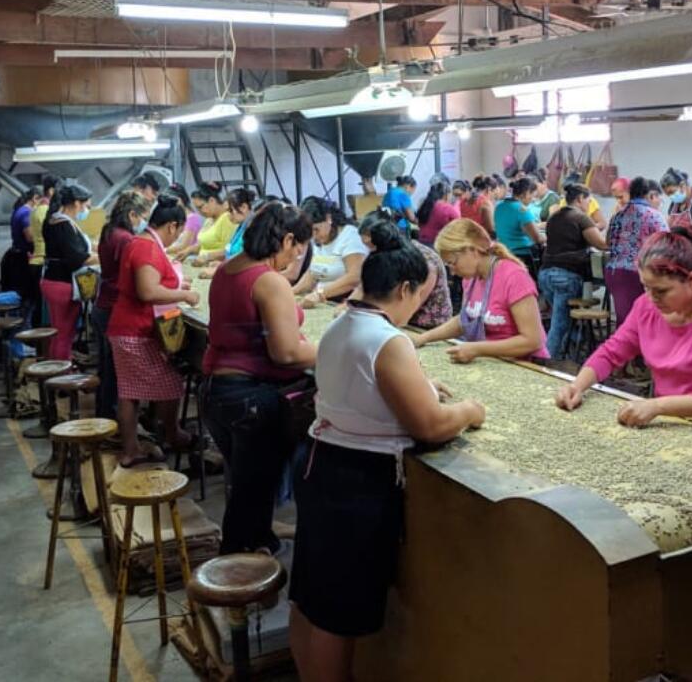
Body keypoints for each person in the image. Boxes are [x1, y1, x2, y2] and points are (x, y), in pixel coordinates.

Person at [289, 227, 485, 680]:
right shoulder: (387, 339)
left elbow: (362, 387)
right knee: (338, 616)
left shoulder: (343, 323)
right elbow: (430, 426)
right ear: (403, 289)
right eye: (419, 295)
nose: (418, 305)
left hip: (322, 465)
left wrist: (418, 388)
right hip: (356, 482)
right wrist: (468, 411)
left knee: (313, 596)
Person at [556, 225, 692, 427]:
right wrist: (577, 386)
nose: (652, 298)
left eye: (661, 291)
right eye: (646, 287)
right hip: (675, 422)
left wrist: (657, 406)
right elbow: (611, 352)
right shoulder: (645, 306)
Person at [203, 203, 317, 553]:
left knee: (247, 487)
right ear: (286, 240)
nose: (295, 259)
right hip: (250, 400)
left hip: (217, 395)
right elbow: (285, 353)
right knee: (251, 494)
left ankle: (259, 539)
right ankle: (242, 571)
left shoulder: (227, 270)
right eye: (297, 250)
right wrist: (339, 351)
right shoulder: (268, 280)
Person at [107, 196, 201, 467]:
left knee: (129, 392)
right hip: (135, 329)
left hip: (126, 327)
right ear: (172, 226)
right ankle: (172, 434)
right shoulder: (147, 248)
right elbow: (147, 290)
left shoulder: (140, 243)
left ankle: (132, 448)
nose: (177, 237)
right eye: (179, 231)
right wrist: (184, 294)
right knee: (170, 384)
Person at [414, 218, 547, 361]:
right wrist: (422, 338)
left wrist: (476, 349)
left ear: (472, 250)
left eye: (453, 263)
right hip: (493, 360)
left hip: (524, 364)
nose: (452, 272)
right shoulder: (470, 279)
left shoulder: (514, 277)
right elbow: (464, 319)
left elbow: (533, 340)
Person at [94, 191, 152, 422]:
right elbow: (136, 277)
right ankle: (115, 422)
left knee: (107, 368)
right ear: (131, 214)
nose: (143, 223)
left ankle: (106, 415)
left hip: (103, 304)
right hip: (114, 307)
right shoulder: (126, 239)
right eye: (142, 217)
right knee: (117, 373)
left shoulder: (109, 232)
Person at [538, 183, 607, 360]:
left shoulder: (554, 217)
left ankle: (570, 354)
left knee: (562, 318)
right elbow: (601, 244)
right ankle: (546, 361)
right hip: (565, 276)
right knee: (559, 324)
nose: (588, 204)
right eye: (588, 200)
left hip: (545, 275)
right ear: (579, 199)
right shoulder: (580, 218)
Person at [357, 210, 452, 329]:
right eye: (367, 246)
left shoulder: (425, 260)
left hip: (426, 327)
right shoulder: (384, 256)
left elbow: (411, 305)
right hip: (398, 318)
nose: (371, 251)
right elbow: (364, 288)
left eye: (372, 246)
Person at [40, 183, 95, 361]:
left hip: (55, 281)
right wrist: (107, 256)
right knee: (64, 333)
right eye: (86, 206)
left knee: (62, 332)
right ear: (77, 203)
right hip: (61, 284)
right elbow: (77, 258)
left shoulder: (57, 220)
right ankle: (61, 377)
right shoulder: (62, 224)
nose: (86, 210)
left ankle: (60, 369)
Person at [604, 176, 670, 324]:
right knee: (644, 321)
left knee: (624, 321)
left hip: (615, 273)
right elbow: (667, 246)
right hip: (637, 274)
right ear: (651, 195)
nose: (659, 202)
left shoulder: (618, 214)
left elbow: (608, 242)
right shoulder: (653, 215)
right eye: (659, 198)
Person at [295, 199, 368, 307]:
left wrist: (319, 294)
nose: (314, 236)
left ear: (328, 219)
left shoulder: (350, 237)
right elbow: (312, 274)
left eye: (316, 230)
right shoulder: (319, 240)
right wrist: (292, 292)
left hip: (342, 303)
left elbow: (355, 277)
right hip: (323, 301)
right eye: (310, 232)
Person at [195, 187, 255, 277]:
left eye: (230, 211)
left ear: (244, 207)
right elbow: (230, 250)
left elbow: (248, 258)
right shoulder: (242, 226)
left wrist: (222, 268)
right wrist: (222, 263)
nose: (228, 216)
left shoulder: (254, 228)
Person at [493, 177, 544, 272]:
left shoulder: (499, 207)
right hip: (522, 255)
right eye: (532, 195)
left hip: (503, 252)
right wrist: (549, 237)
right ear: (526, 193)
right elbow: (537, 238)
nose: (532, 199)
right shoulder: (522, 209)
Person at [27, 174, 60, 314]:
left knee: (38, 307)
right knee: (44, 311)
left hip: (35, 260)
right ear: (51, 191)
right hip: (42, 262)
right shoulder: (46, 212)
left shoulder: (36, 210)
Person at [415, 179, 460, 247]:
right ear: (446, 195)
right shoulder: (447, 208)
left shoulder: (425, 204)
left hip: (421, 243)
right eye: (451, 194)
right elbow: (459, 225)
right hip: (436, 245)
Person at [165, 183, 204, 260]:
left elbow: (184, 246)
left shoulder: (192, 219)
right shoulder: (176, 216)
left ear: (180, 200)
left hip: (187, 258)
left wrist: (163, 249)